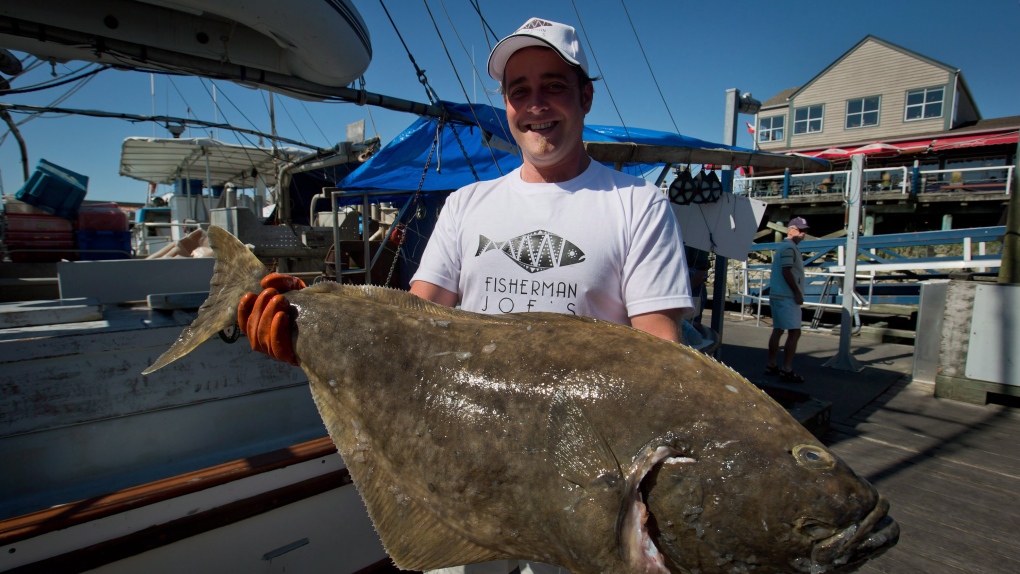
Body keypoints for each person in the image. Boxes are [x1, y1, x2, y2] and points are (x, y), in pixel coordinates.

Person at [240, 16, 693, 574]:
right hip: (468, 471)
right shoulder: (466, 204)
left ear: (585, 96)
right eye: (518, 90)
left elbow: (663, 354)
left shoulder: (636, 204)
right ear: (505, 105)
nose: (536, 105)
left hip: (584, 485)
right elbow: (416, 323)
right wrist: (305, 325)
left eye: (553, 85)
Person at [765, 217, 809, 384]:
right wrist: (797, 292)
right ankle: (787, 368)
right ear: (790, 230)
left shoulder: (784, 247)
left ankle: (772, 364)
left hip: (778, 294)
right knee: (795, 331)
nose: (803, 234)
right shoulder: (789, 248)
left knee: (778, 329)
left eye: (804, 230)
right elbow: (786, 271)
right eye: (800, 230)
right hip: (786, 296)